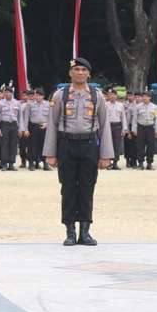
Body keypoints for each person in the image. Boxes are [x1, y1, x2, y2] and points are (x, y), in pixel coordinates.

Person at [43, 57, 113, 247]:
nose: (80, 73)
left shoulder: (97, 95)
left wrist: (106, 154)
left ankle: (85, 231)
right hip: (66, 145)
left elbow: (105, 125)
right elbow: (52, 124)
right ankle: (70, 231)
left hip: (89, 144)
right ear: (70, 73)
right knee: (68, 189)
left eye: (84, 70)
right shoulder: (60, 95)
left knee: (87, 188)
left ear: (89, 73)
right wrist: (50, 152)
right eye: (77, 69)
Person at [21, 87, 51, 171]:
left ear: (43, 96)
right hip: (33, 127)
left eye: (40, 96)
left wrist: (47, 124)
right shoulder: (30, 105)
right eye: (36, 95)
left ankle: (45, 163)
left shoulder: (48, 104)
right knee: (32, 146)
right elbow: (26, 118)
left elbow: (51, 117)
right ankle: (31, 163)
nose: (38, 97)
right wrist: (26, 129)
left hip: (44, 127)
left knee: (44, 146)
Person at [0, 87, 22, 171]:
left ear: (12, 93)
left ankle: (11, 164)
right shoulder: (0, 103)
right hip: (4, 125)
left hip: (14, 125)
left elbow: (20, 117)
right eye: (6, 92)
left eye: (9, 92)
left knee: (13, 145)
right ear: (4, 94)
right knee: (4, 144)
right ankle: (4, 164)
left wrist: (20, 129)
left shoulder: (17, 103)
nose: (7, 94)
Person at [131, 91, 157, 170]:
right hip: (141, 128)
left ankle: (149, 163)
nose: (144, 98)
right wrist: (134, 129)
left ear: (150, 97)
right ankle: (140, 163)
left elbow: (156, 119)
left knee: (151, 146)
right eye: (143, 96)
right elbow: (135, 119)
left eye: (146, 96)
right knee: (140, 146)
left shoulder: (155, 107)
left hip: (150, 128)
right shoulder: (138, 107)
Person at [105, 88, 127, 170]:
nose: (112, 96)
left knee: (117, 145)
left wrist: (124, 129)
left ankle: (115, 162)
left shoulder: (120, 105)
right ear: (108, 96)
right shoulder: (105, 105)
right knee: (108, 145)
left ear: (116, 96)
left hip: (117, 126)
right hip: (108, 126)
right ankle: (109, 163)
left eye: (113, 95)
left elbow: (123, 117)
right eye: (110, 95)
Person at [123, 92, 139, 167]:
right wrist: (127, 131)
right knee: (128, 145)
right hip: (127, 126)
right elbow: (126, 119)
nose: (130, 97)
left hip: (137, 127)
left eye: (131, 96)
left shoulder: (137, 105)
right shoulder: (124, 105)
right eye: (128, 96)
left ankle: (134, 161)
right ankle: (127, 160)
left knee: (136, 146)